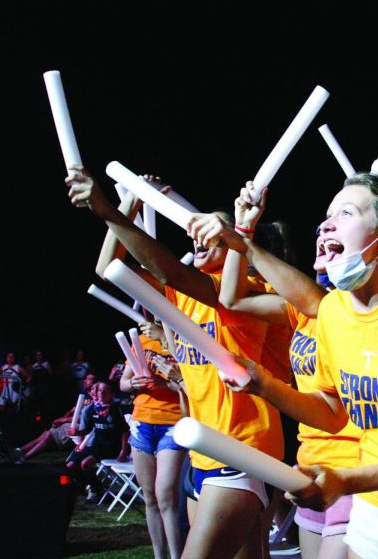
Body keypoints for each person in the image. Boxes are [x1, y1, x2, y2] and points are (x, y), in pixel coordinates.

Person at [198, 173, 378, 559]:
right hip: (374, 501)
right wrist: (265, 385)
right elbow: (333, 414)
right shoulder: (333, 310)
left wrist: (344, 480)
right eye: (327, 215)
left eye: (346, 213)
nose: (326, 223)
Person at [67, 169, 290, 559]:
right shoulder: (182, 294)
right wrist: (130, 201)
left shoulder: (245, 292)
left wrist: (103, 207)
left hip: (243, 451)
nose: (198, 235)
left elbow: (168, 267)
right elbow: (108, 268)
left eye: (212, 231)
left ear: (237, 242)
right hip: (201, 452)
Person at [189, 182, 359, 559]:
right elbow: (231, 299)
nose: (325, 230)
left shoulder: (342, 309)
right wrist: (243, 231)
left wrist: (241, 238)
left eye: (342, 220)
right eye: (322, 227)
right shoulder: (299, 310)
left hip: (356, 472)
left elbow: (320, 303)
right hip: (309, 466)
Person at [120, 331, 186, 559]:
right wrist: (132, 382)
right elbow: (123, 383)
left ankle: (177, 556)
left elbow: (189, 386)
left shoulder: (180, 339)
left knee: (166, 496)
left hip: (172, 423)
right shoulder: (140, 340)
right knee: (149, 497)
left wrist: (164, 383)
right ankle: (159, 555)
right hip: (142, 423)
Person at [67, 381, 131, 501]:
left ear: (112, 395)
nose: (101, 393)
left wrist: (124, 450)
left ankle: (95, 489)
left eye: (104, 391)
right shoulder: (93, 409)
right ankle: (83, 484)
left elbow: (125, 431)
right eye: (99, 390)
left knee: (85, 463)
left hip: (112, 447)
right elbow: (87, 430)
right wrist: (76, 433)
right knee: (70, 465)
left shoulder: (116, 410)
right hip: (97, 445)